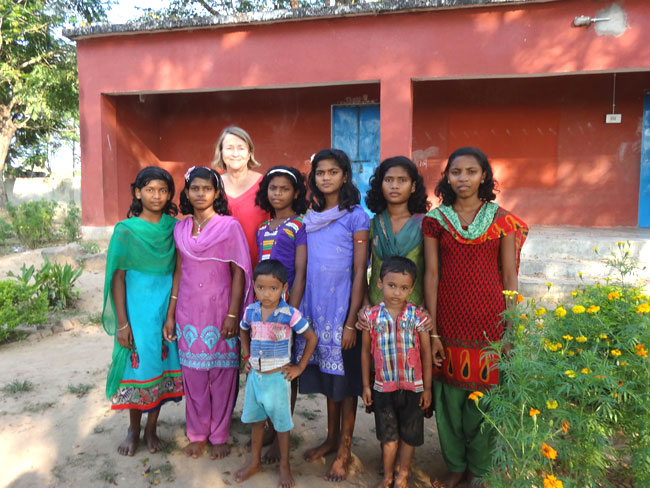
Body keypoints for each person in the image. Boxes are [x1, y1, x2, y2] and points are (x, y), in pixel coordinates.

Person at [423, 147, 528, 488]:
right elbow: (432, 275)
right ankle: (455, 465)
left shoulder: (503, 221)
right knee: (449, 401)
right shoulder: (436, 220)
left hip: (489, 323)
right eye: (456, 172)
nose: (463, 178)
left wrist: (510, 330)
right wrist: (433, 332)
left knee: (484, 401)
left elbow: (509, 277)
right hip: (448, 321)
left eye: (471, 171)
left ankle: (479, 469)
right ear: (447, 177)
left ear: (484, 176)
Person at [294, 148, 369, 482]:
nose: (325, 178)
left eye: (332, 172)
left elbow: (359, 272)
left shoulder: (356, 217)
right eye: (320, 172)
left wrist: (351, 322)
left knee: (346, 385)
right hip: (315, 309)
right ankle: (330, 438)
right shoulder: (310, 218)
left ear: (345, 176)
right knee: (329, 380)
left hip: (342, 312)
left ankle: (344, 451)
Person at [171, 166, 254, 460]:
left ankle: (219, 435)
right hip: (188, 312)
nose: (200, 193)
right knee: (193, 376)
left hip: (220, 311)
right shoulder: (180, 229)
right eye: (195, 188)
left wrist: (233, 315)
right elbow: (178, 272)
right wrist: (171, 313)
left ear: (217, 192)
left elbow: (239, 271)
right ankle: (197, 434)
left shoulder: (229, 227)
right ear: (187, 192)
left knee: (222, 376)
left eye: (207, 188)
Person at [103, 166, 184, 457]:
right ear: (138, 193)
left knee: (159, 366)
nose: (156, 196)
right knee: (137, 366)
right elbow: (117, 277)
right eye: (149, 190)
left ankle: (152, 428)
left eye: (163, 190)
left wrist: (171, 311)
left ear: (170, 194)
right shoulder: (125, 231)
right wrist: (122, 323)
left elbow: (178, 271)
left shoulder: (175, 228)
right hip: (136, 310)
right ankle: (133, 429)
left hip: (164, 308)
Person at [235, 260, 318, 488]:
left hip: (278, 379)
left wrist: (300, 367)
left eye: (273, 288)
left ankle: (284, 466)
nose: (266, 293)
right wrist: (246, 356)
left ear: (284, 287)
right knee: (257, 421)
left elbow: (311, 338)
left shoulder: (289, 314)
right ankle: (255, 462)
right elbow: (243, 330)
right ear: (254, 286)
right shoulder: (251, 311)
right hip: (256, 378)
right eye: (260, 287)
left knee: (282, 425)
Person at [253, 164, 310, 462]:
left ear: (295, 193)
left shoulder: (299, 226)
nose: (277, 193)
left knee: (285, 372)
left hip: (285, 308)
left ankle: (280, 432)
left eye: (284, 189)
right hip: (263, 307)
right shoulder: (262, 228)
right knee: (265, 367)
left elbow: (300, 271)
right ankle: (268, 427)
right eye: (272, 188)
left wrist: (290, 311)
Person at [361, 256, 433, 488]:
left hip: (413, 388)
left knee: (410, 436)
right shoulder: (371, 317)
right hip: (383, 388)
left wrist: (427, 388)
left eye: (403, 288)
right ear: (380, 283)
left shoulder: (417, 317)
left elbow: (425, 353)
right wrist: (366, 386)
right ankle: (388, 476)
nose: (396, 292)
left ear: (411, 289)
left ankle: (402, 477)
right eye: (391, 285)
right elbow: (365, 353)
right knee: (388, 437)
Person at [212, 126, 267, 264]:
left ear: (249, 153)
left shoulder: (265, 184)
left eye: (241, 148)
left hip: (260, 268)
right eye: (229, 148)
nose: (235, 153)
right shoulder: (212, 185)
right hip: (221, 266)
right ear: (221, 152)